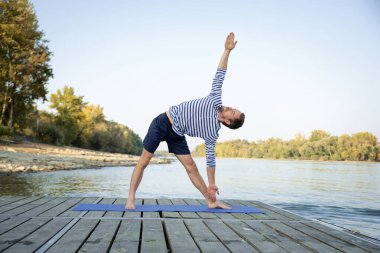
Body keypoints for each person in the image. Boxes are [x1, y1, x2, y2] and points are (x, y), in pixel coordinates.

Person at [125, 32, 245, 209]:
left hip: (177, 134)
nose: (230, 108)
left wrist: (212, 183)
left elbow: (210, 159)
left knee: (192, 167)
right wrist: (227, 51)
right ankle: (130, 199)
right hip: (163, 122)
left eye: (233, 112)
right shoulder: (215, 99)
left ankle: (211, 201)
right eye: (233, 108)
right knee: (144, 160)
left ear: (228, 122)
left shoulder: (212, 132)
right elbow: (220, 74)